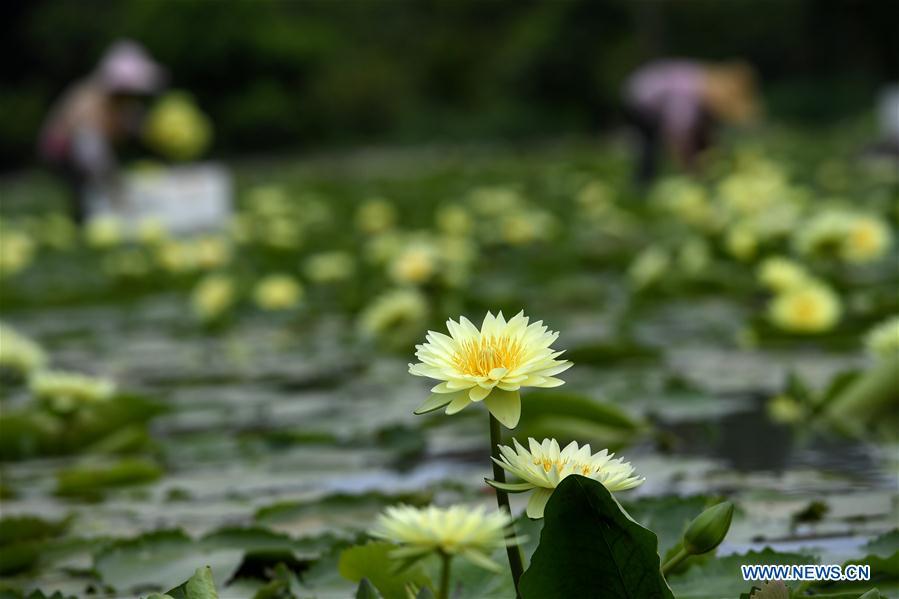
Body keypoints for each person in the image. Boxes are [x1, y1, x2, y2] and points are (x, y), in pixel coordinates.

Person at [39, 40, 166, 224]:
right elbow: (90, 149)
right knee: (87, 192)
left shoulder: (122, 104)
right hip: (65, 151)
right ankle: (89, 223)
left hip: (87, 150)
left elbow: (131, 123)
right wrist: (112, 183)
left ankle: (94, 218)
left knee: (95, 188)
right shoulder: (90, 100)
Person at [623, 60, 759, 184]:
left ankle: (707, 172)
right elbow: (677, 135)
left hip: (656, 89)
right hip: (642, 100)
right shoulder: (687, 99)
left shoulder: (704, 84)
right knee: (650, 149)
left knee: (702, 139)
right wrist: (688, 167)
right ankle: (644, 182)